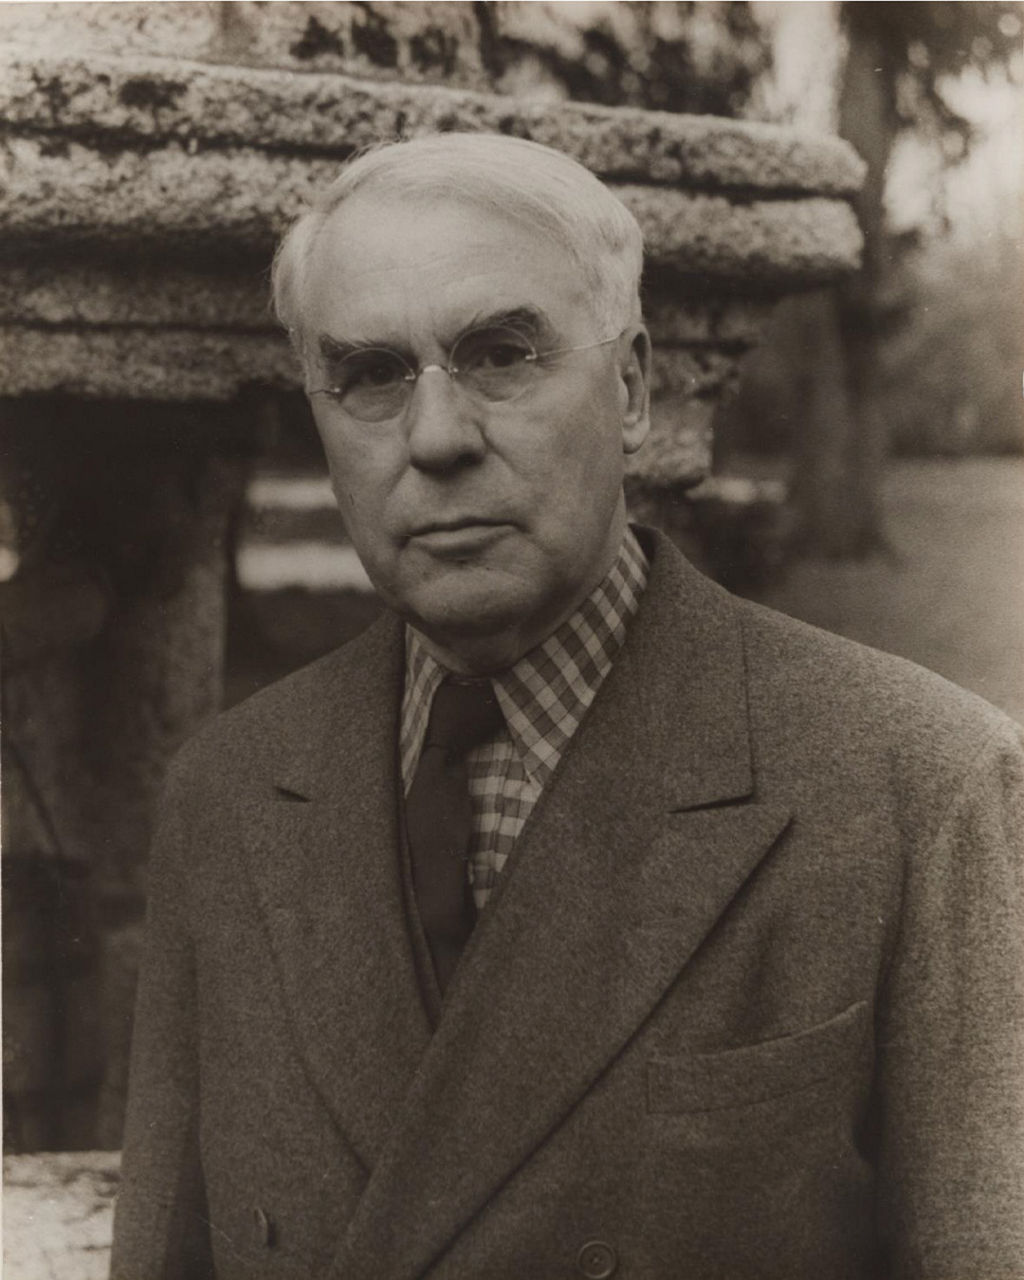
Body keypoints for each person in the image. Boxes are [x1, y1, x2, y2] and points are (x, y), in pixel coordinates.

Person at [111, 133, 1024, 1280]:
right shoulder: (230, 791)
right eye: (373, 375)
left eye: (501, 354)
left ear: (631, 388)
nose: (435, 438)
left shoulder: (920, 787)